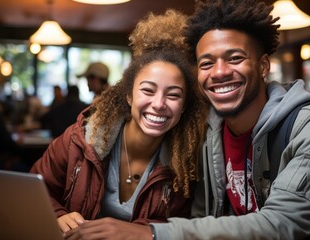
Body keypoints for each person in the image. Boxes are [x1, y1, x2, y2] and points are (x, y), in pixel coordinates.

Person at [102, 0, 310, 239]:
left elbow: (285, 223)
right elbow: (201, 216)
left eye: (235, 58)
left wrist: (154, 234)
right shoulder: (206, 132)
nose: (220, 72)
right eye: (207, 63)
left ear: (263, 66)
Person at [30, 9, 207, 239]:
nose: (159, 104)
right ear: (129, 96)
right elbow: (35, 190)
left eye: (173, 95)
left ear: (183, 106)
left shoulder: (186, 164)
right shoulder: (80, 139)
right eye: (147, 90)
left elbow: (181, 227)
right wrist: (57, 215)